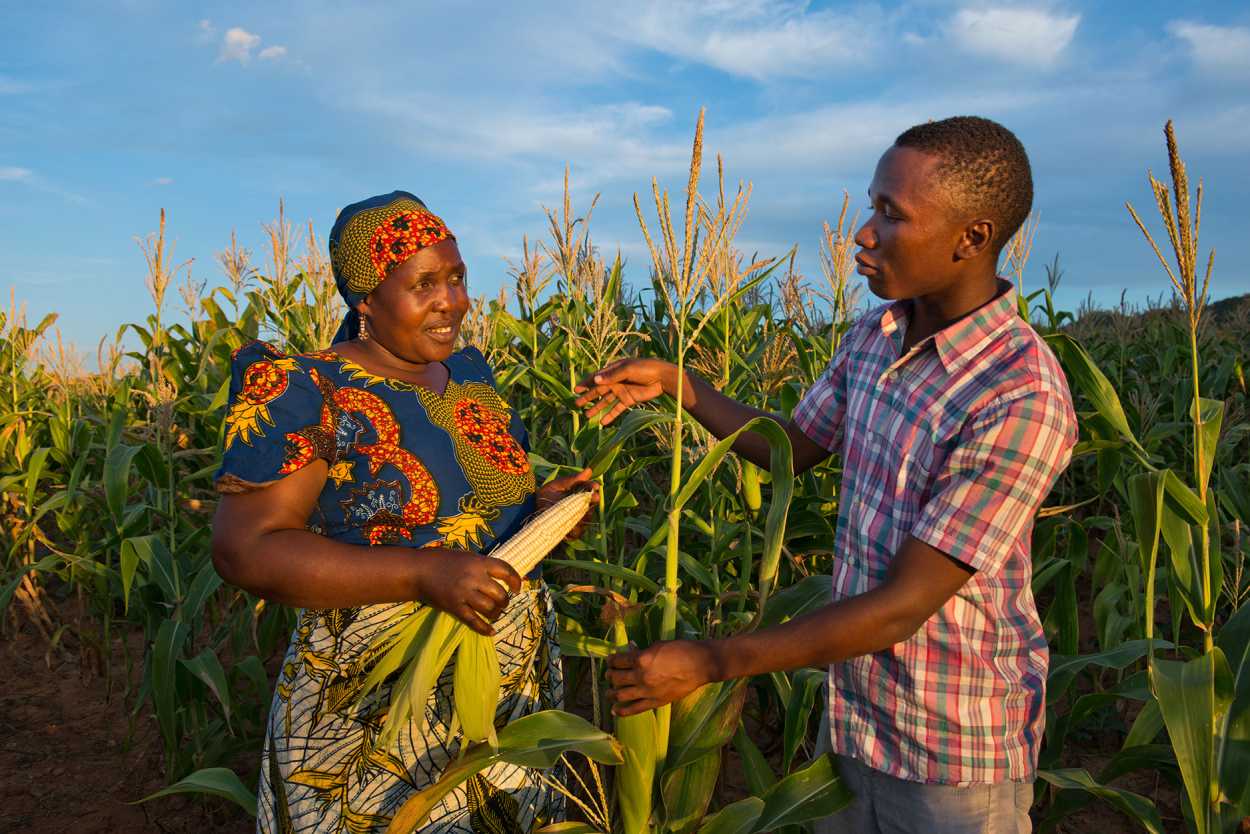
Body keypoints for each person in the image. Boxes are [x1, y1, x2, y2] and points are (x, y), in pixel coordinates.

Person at [575, 117, 1078, 833]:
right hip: (852, 725)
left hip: (951, 758)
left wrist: (712, 660)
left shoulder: (1019, 395)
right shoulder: (875, 336)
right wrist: (677, 383)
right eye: (872, 206)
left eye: (890, 215)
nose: (862, 234)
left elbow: (904, 605)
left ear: (971, 237)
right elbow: (794, 443)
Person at [211, 191, 595, 834]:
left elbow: (468, 509)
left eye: (456, 277)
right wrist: (422, 574)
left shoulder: (469, 375)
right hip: (377, 703)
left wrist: (539, 511)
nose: (453, 301)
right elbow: (246, 549)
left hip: (503, 679)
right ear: (365, 298)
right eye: (424, 284)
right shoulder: (304, 388)